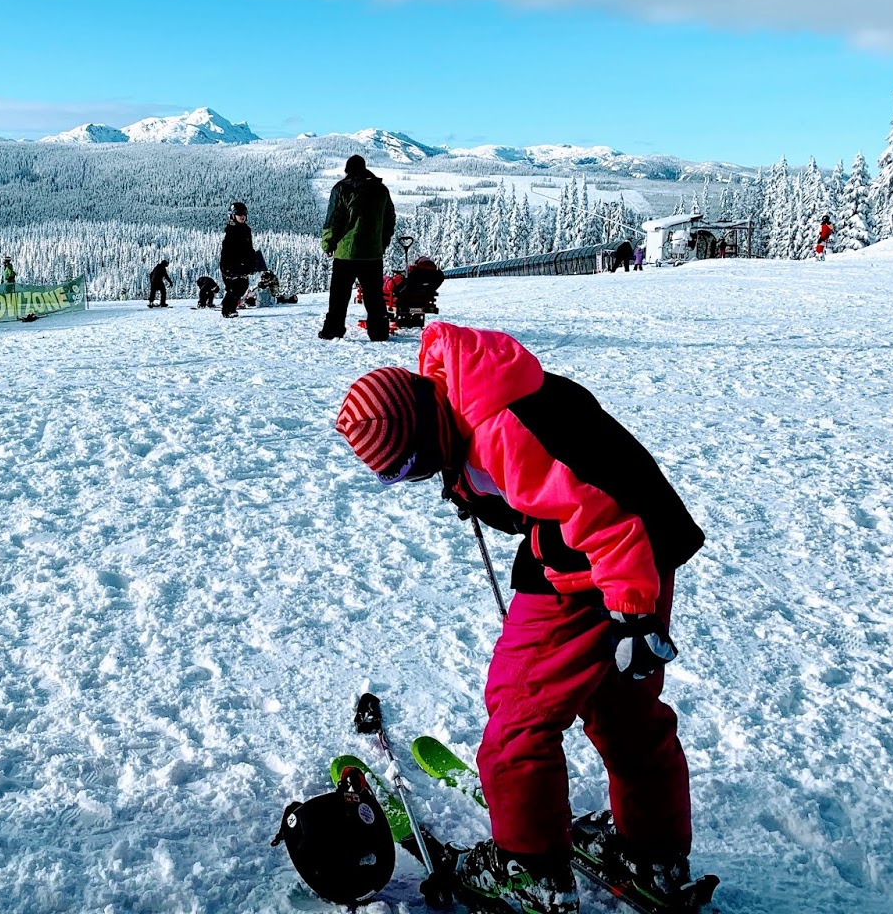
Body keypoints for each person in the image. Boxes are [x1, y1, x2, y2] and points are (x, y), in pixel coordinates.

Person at [335, 323, 705, 914]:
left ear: (426, 432)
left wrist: (633, 613)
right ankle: (651, 852)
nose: (416, 480)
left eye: (410, 469)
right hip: (639, 551)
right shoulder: (471, 389)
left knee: (518, 714)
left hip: (598, 565)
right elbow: (555, 483)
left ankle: (528, 867)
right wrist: (474, 487)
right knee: (623, 710)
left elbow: (599, 510)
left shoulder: (501, 428)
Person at [319, 155, 396, 342]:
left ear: (348, 170)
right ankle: (379, 332)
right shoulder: (381, 189)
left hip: (346, 254)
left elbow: (333, 219)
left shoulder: (341, 188)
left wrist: (328, 243)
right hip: (372, 255)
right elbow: (389, 219)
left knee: (339, 296)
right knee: (374, 296)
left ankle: (333, 330)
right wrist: (382, 243)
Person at [219, 202, 255, 318]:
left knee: (243, 285)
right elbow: (227, 250)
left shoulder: (246, 230)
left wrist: (252, 261)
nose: (242, 217)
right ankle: (227, 310)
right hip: (230, 264)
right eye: (239, 215)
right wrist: (228, 267)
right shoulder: (231, 230)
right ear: (233, 216)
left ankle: (229, 306)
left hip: (243, 264)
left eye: (244, 214)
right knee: (233, 287)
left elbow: (249, 248)